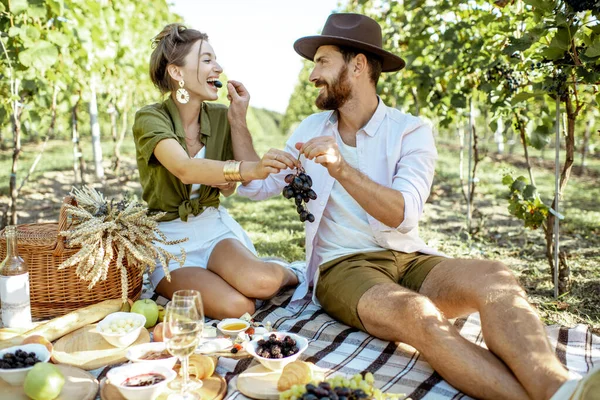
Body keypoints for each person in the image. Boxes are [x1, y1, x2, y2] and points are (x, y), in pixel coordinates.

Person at [237, 13, 599, 400]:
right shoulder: (310, 128)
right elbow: (256, 189)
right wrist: (239, 121)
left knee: (497, 276)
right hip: (342, 266)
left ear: (357, 65)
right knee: (417, 315)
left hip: (407, 256)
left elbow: (403, 213)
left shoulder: (410, 131)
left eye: (323, 61)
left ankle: (559, 388)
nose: (313, 75)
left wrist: (341, 168)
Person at [132, 23, 301, 320]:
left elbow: (230, 187)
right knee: (239, 308)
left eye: (216, 60)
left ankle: (294, 273)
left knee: (263, 282)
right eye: (207, 60)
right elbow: (184, 169)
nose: (219, 68)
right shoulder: (150, 118)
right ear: (177, 72)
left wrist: (237, 120)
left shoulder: (220, 116)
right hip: (168, 241)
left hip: (212, 228)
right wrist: (252, 168)